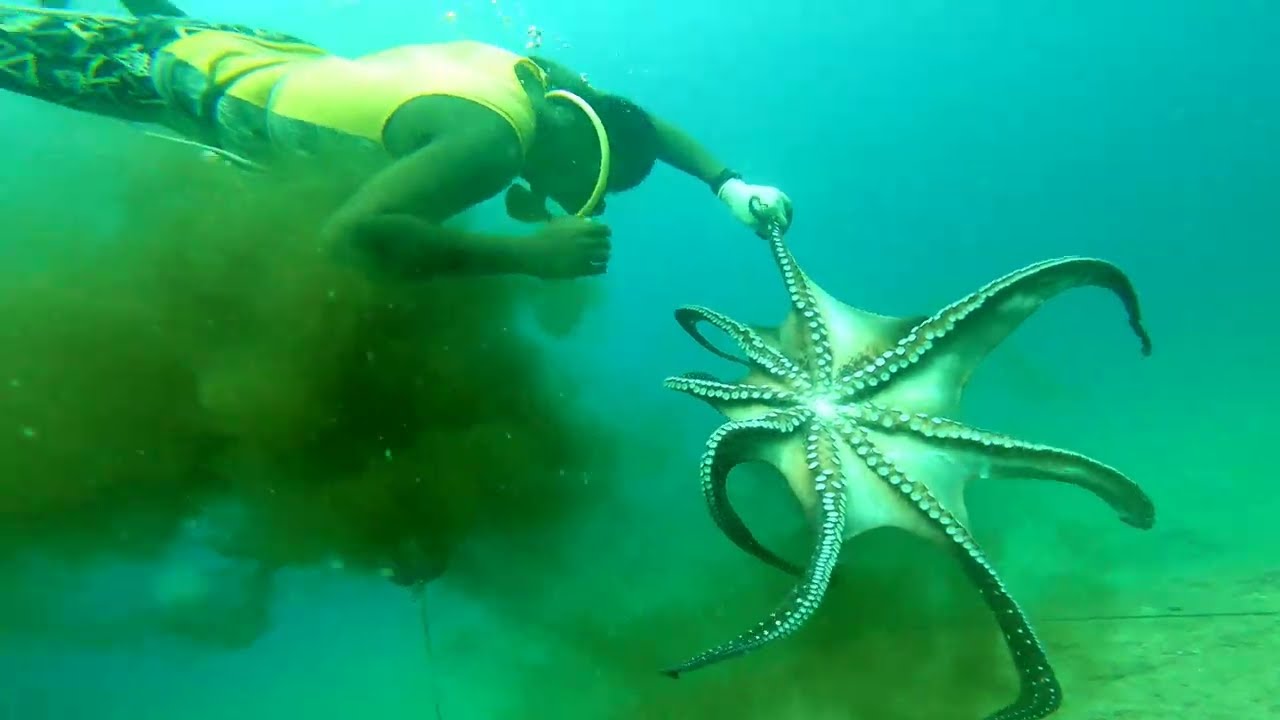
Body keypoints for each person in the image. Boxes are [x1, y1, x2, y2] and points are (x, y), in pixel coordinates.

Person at [5, 0, 794, 282]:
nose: (556, 202)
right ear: (580, 148)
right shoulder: (492, 148)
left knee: (161, 17)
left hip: (264, 49)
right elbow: (349, 240)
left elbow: (640, 123)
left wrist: (728, 182)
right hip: (195, 83)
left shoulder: (539, 77)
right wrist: (525, 258)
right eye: (580, 188)